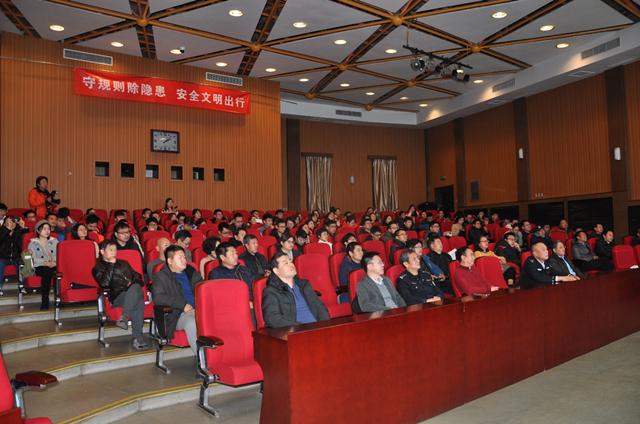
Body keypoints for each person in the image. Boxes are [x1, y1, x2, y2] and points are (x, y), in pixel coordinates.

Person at [92, 240, 148, 350]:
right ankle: (137, 337)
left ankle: (124, 318)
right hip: (117, 296)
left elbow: (137, 276)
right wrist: (111, 265)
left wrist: (131, 283)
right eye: (111, 250)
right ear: (102, 252)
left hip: (132, 292)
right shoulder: (98, 268)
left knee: (136, 289)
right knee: (138, 298)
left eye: (115, 250)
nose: (114, 252)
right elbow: (104, 283)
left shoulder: (124, 263)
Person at [151, 245, 202, 354]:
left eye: (184, 257)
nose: (184, 260)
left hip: (198, 311)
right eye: (180, 258)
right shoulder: (161, 276)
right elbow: (158, 297)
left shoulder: (192, 272)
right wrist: (182, 305)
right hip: (176, 315)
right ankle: (203, 359)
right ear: (170, 261)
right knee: (192, 321)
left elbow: (203, 291)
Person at [262, 251, 330, 328]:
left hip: (317, 329)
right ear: (276, 271)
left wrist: (325, 325)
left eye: (290, 261)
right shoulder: (271, 291)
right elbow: (272, 318)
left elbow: (320, 308)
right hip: (295, 331)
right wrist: (299, 328)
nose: (291, 264)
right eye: (286, 263)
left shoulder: (304, 285)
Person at [28, 220, 58, 310]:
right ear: (38, 230)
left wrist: (55, 262)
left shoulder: (55, 241)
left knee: (56, 272)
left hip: (53, 265)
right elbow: (32, 258)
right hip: (39, 266)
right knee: (47, 271)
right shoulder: (33, 243)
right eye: (44, 229)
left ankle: (59, 298)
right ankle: (45, 300)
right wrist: (44, 262)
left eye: (48, 229)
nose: (47, 231)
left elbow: (60, 254)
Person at [0, 216, 28, 296]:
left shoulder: (18, 232)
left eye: (13, 222)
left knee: (23, 264)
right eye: (9, 222)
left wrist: (23, 228)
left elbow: (24, 243)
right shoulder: (1, 232)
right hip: (3, 257)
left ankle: (21, 286)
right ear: (4, 224)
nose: (11, 223)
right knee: (0, 264)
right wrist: (7, 230)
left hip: (16, 257)